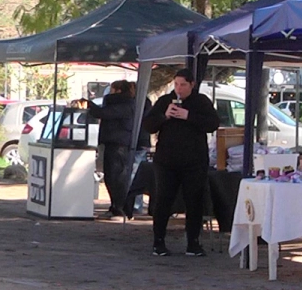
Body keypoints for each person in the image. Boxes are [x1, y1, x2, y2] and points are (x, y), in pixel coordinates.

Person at [143, 68, 220, 257]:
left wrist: (188, 116)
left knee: (194, 201)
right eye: (176, 84)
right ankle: (158, 242)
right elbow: (148, 125)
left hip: (194, 161)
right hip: (167, 161)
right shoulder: (165, 101)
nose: (179, 89)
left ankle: (193, 243)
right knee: (163, 200)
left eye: (183, 85)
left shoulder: (201, 101)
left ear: (192, 84)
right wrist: (164, 116)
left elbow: (213, 124)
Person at [81, 80, 136, 219]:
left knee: (117, 178)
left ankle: (121, 209)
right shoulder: (122, 103)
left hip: (119, 144)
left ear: (118, 90)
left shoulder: (125, 105)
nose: (109, 93)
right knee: (111, 177)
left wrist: (90, 105)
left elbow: (103, 113)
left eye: (111, 90)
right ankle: (115, 207)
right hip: (113, 142)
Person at [126, 81, 153, 218]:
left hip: (139, 142)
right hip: (141, 141)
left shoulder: (141, 103)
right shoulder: (145, 102)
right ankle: (135, 204)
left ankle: (135, 205)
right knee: (135, 173)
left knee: (135, 174)